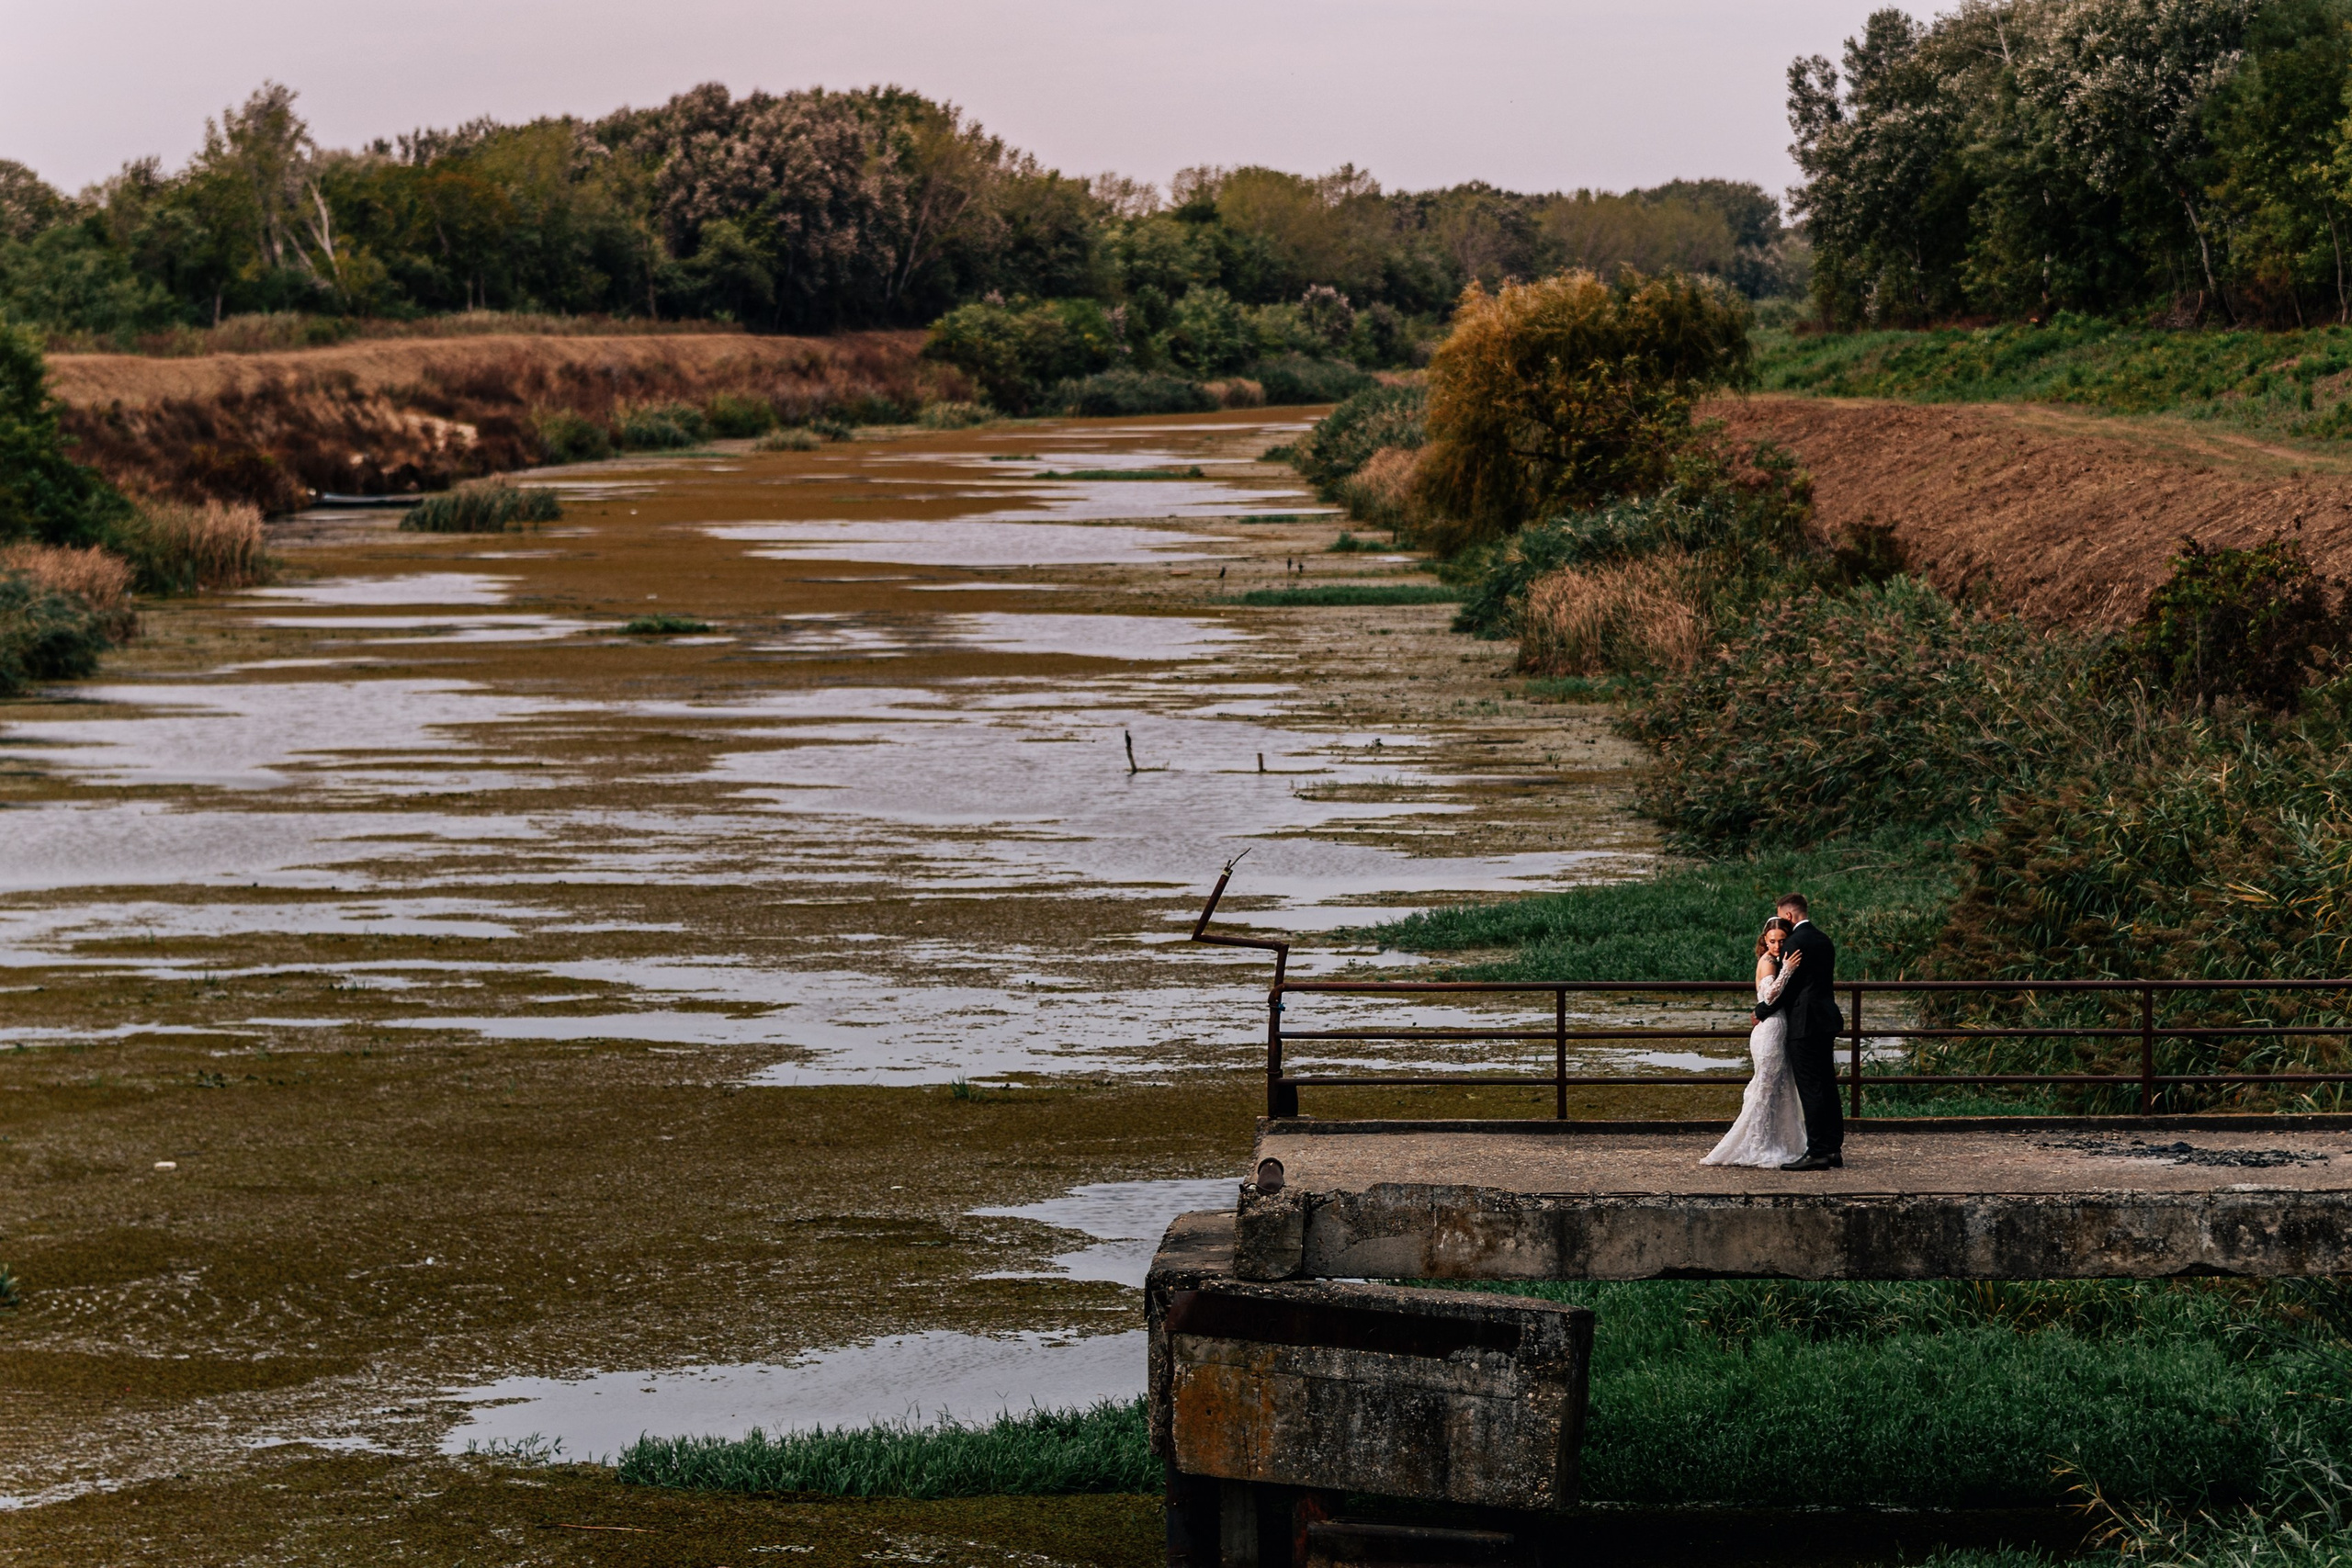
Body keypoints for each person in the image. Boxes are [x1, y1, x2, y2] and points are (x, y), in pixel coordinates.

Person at [1701, 918, 1807, 1168]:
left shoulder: (1778, 961)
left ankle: (1775, 1141)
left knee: (1777, 1088)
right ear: (1765, 941)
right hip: (1769, 1031)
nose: (1777, 946)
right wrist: (1788, 970)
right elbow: (1770, 996)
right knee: (1764, 1087)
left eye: (1782, 941)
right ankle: (1756, 1145)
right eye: (1772, 941)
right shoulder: (1768, 962)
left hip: (1778, 1029)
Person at [1750, 892, 1842, 1170]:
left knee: (1810, 1087)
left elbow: (1790, 988)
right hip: (1826, 1019)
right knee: (1827, 1084)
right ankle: (1834, 1148)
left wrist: (1761, 1012)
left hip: (1804, 1024)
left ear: (1788, 915)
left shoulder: (1795, 942)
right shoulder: (1824, 939)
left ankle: (1817, 1152)